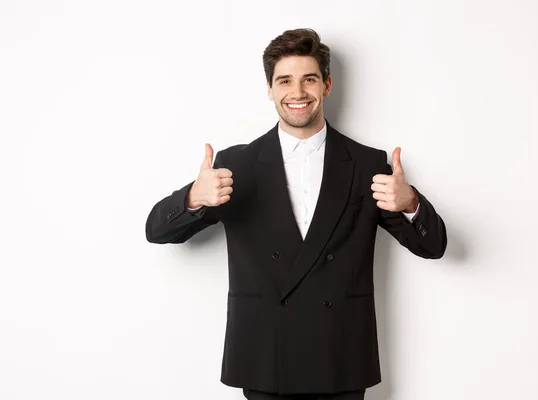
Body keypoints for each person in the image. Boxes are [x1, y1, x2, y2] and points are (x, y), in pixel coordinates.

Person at [145, 28, 447, 400]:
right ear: (270, 89)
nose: (298, 92)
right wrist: (194, 197)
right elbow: (157, 231)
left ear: (327, 85)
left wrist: (411, 202)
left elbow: (434, 246)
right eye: (284, 80)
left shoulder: (367, 163)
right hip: (265, 356)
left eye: (309, 79)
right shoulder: (235, 165)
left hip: (340, 356)